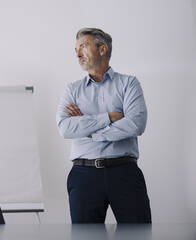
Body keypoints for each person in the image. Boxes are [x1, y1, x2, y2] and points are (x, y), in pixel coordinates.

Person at [56, 28, 151, 223]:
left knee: (137, 238)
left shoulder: (129, 84)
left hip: (124, 172)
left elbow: (136, 124)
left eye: (83, 46)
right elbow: (65, 128)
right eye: (75, 49)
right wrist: (108, 117)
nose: (77, 54)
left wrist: (89, 130)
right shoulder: (72, 90)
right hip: (84, 175)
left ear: (102, 49)